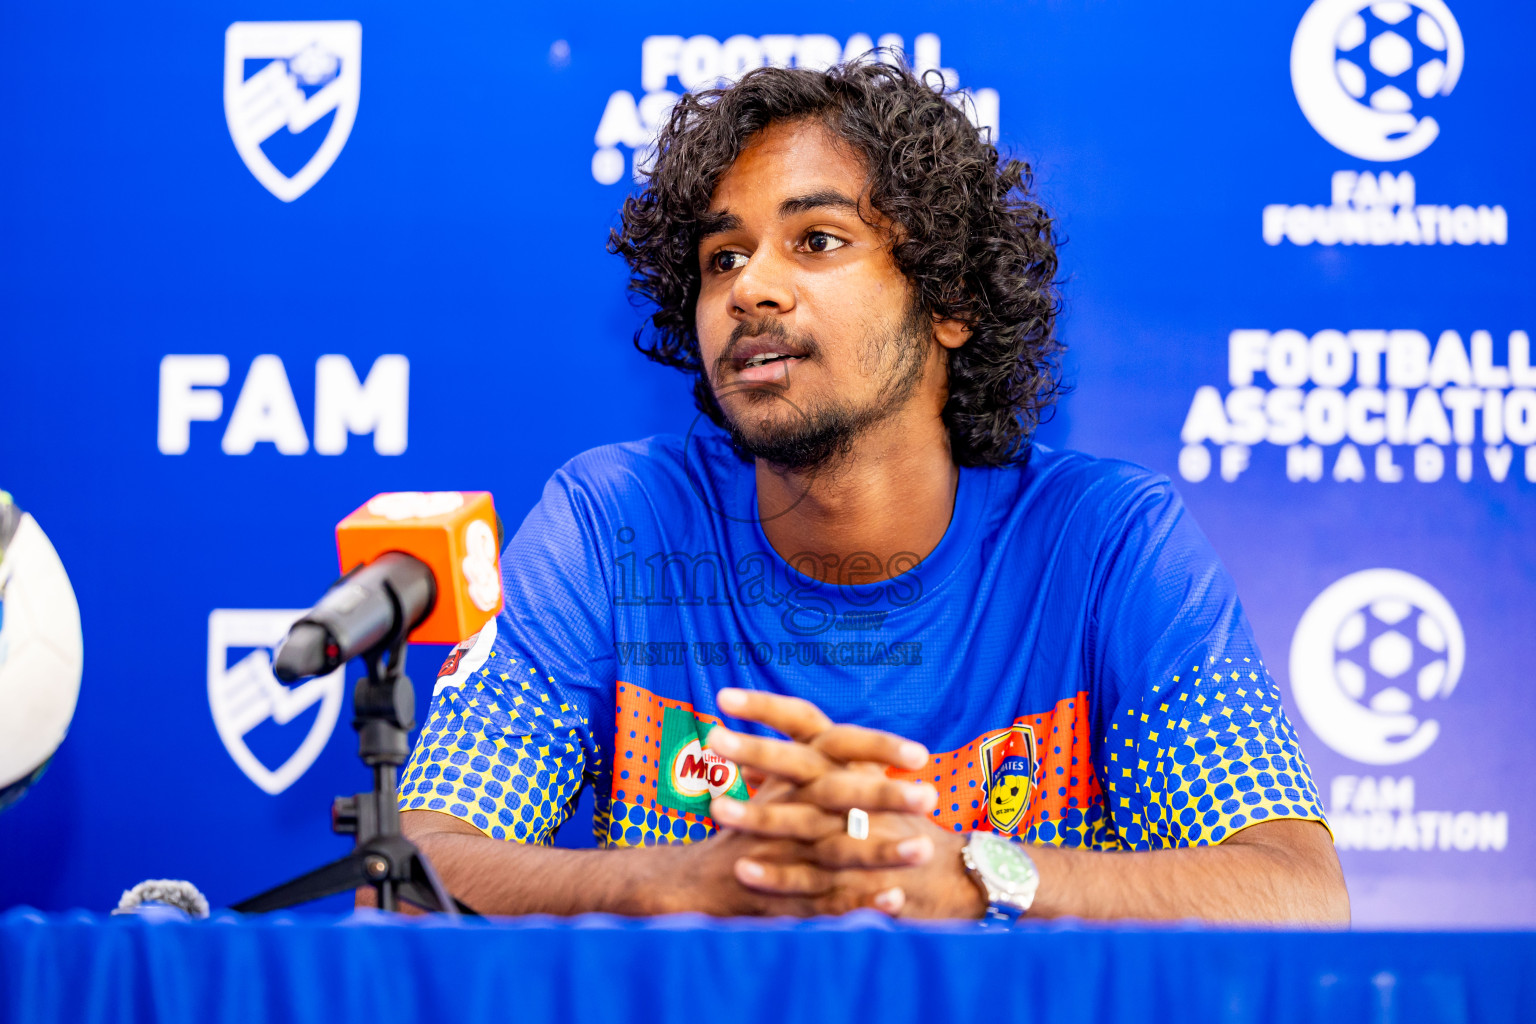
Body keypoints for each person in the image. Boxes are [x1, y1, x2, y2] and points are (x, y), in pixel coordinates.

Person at [392, 59, 1349, 922]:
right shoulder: (613, 524)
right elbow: (415, 874)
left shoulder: (1103, 543)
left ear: (951, 302)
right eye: (722, 257)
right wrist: (683, 881)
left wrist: (975, 876)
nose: (750, 288)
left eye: (816, 241)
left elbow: (1298, 895)